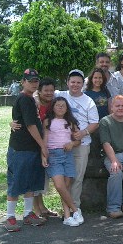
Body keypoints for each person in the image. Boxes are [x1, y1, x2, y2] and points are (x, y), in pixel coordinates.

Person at [4, 69, 48, 232]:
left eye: (36, 81)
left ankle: (28, 214)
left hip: (31, 148)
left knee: (30, 182)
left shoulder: (31, 99)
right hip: (20, 148)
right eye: (30, 81)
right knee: (16, 182)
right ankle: (10, 217)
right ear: (23, 82)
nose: (34, 83)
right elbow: (30, 125)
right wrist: (43, 145)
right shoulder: (24, 99)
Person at [55, 69, 99, 215]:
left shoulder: (88, 101)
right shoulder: (60, 95)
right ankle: (66, 209)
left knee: (77, 178)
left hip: (82, 144)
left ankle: (75, 207)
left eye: (78, 82)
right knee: (63, 179)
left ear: (83, 84)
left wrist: (83, 132)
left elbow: (94, 122)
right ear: (67, 82)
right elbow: (39, 95)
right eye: (72, 82)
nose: (75, 85)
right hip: (60, 145)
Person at [42, 97, 84, 226]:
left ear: (67, 109)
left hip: (67, 155)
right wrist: (43, 155)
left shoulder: (70, 122)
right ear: (53, 107)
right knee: (59, 186)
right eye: (58, 105)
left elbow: (78, 140)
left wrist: (72, 143)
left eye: (63, 106)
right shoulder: (48, 121)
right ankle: (75, 210)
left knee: (66, 186)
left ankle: (67, 217)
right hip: (53, 155)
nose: (60, 107)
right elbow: (44, 140)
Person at [32, 78, 59, 218]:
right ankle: (35, 209)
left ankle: (42, 207)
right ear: (39, 91)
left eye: (51, 90)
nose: (49, 93)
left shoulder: (53, 104)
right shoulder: (34, 104)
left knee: (42, 177)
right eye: (46, 90)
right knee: (35, 176)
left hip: (48, 142)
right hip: (34, 144)